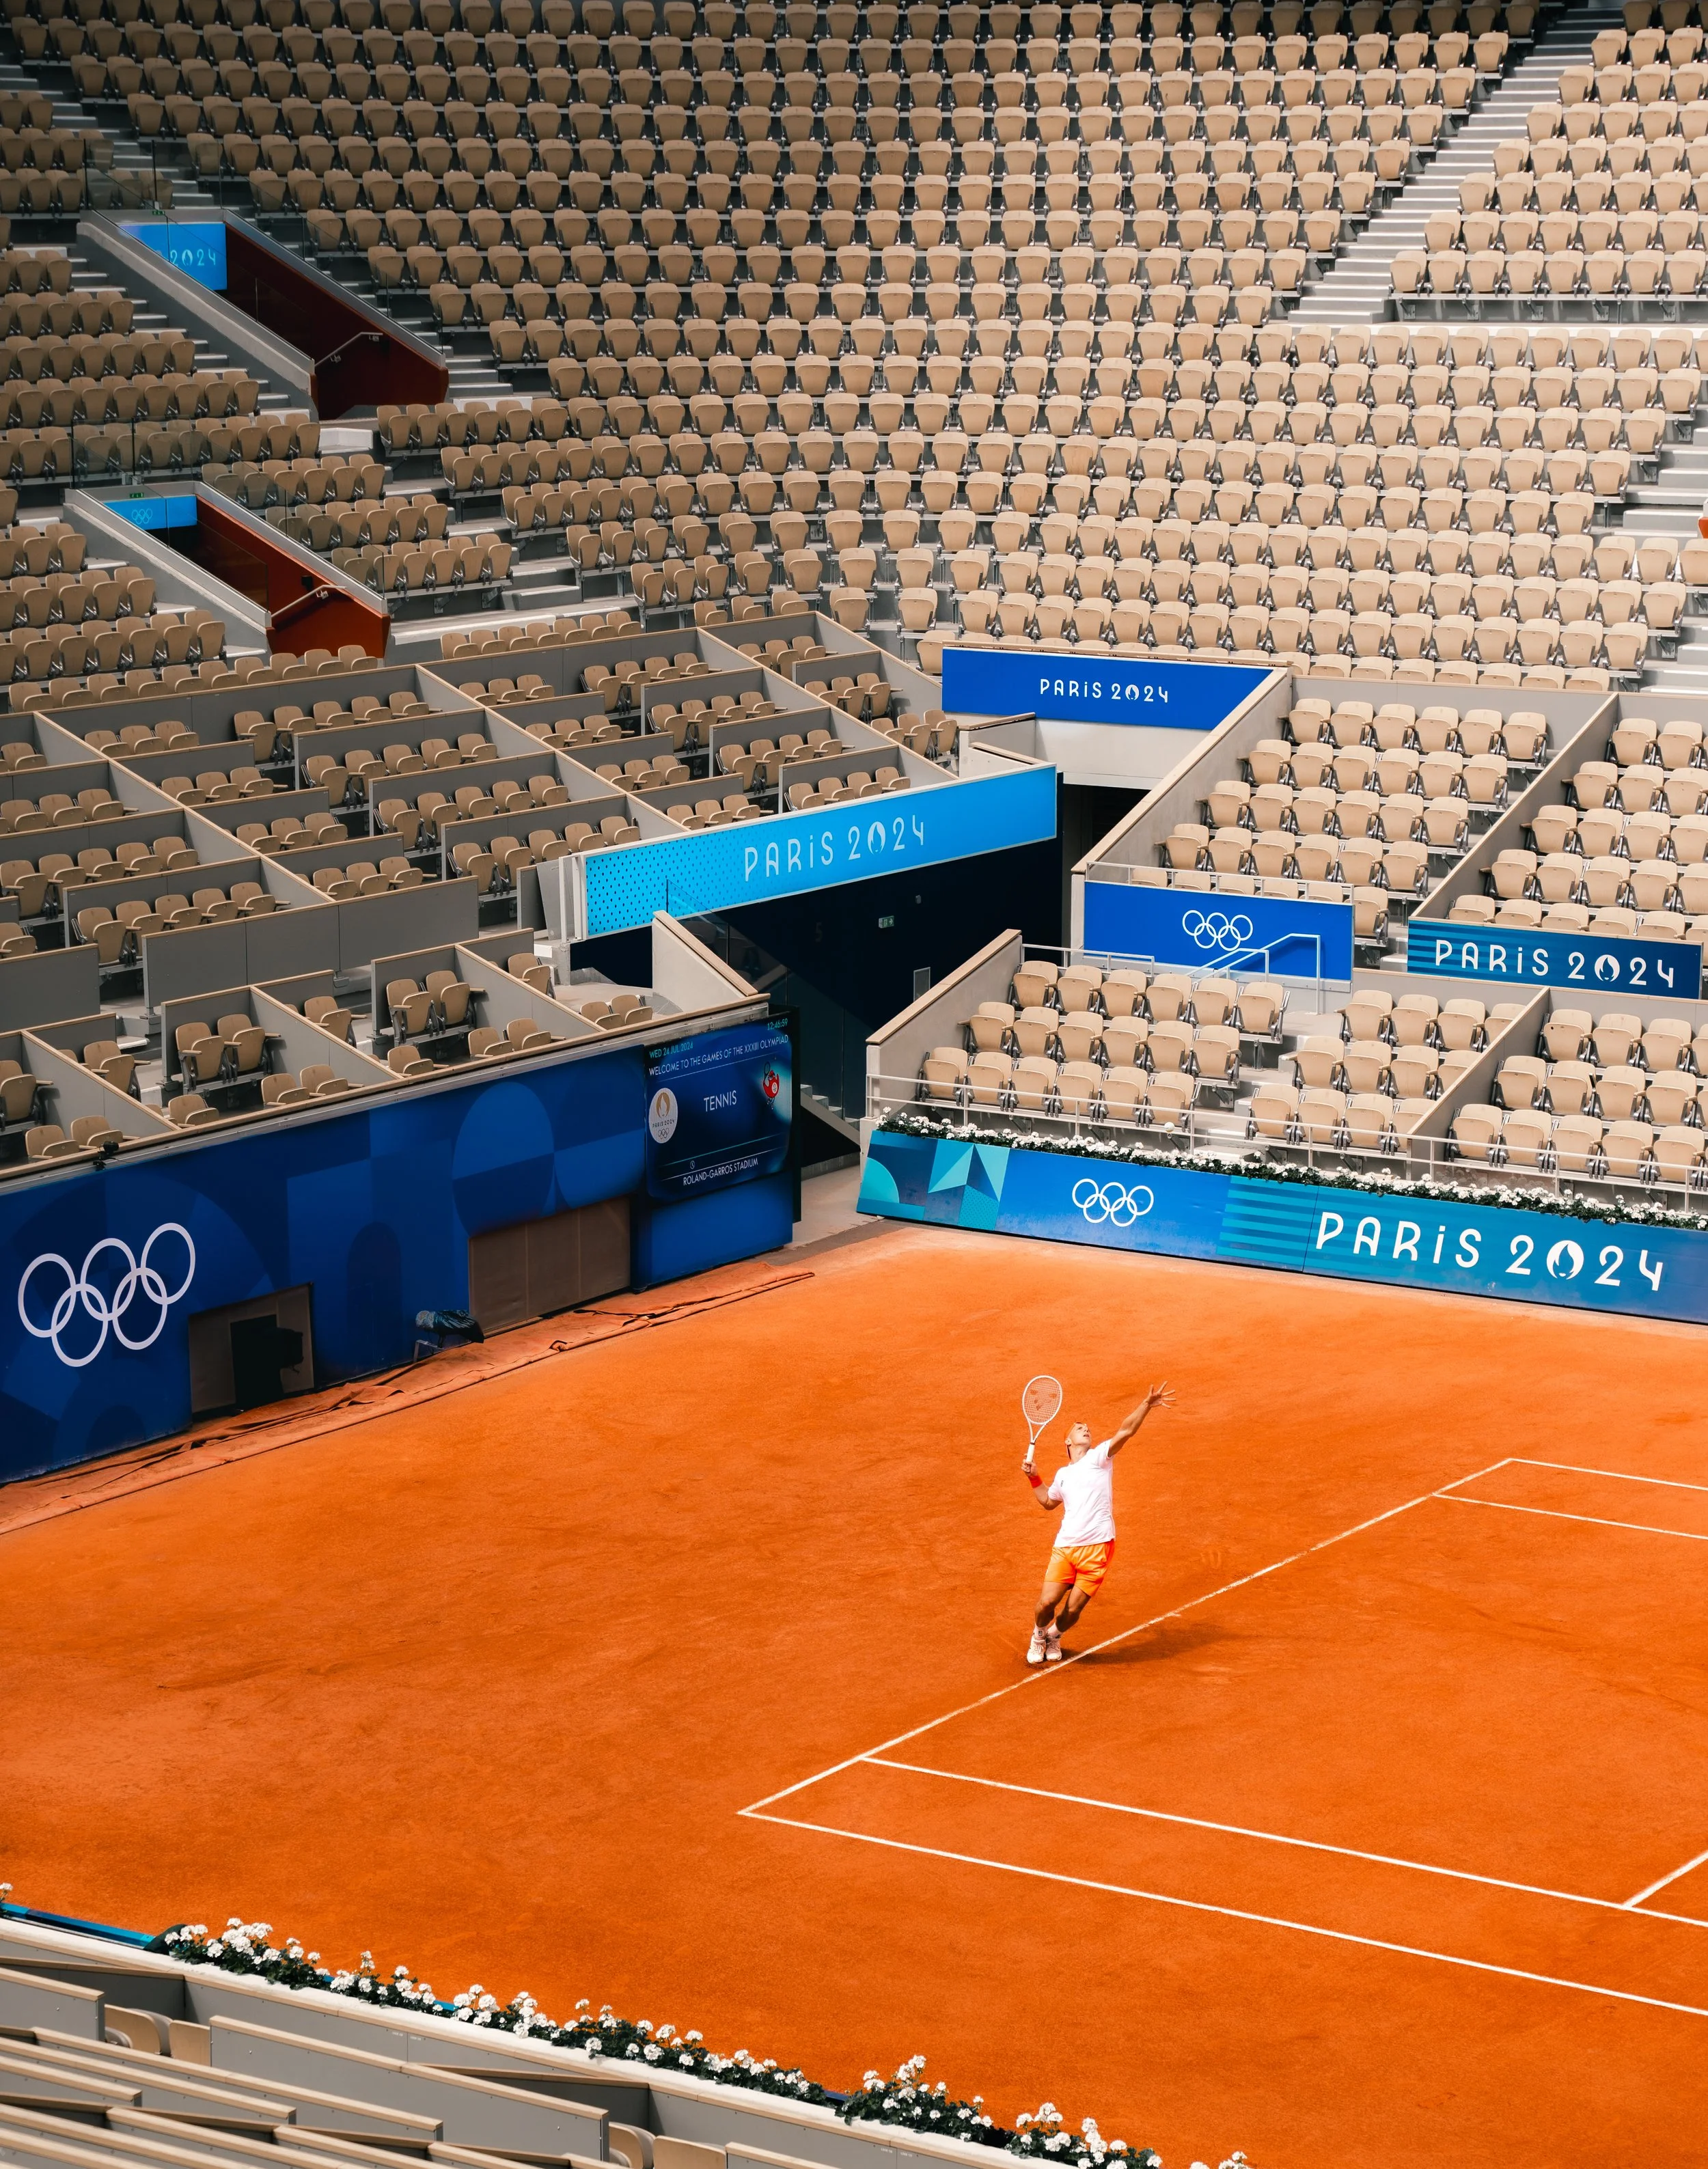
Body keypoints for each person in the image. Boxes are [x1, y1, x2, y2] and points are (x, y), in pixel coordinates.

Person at [1023, 1385, 1174, 1666]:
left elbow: (1126, 1431)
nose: (1086, 1430)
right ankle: (1039, 1634)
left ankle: (1054, 1635)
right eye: (1079, 1428)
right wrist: (1034, 1478)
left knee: (1073, 1610)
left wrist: (1146, 1404)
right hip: (1066, 1547)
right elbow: (1047, 1501)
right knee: (1046, 1604)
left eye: (1087, 1428)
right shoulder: (1063, 1474)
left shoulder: (1099, 1458)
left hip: (1098, 1548)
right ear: (1068, 1442)